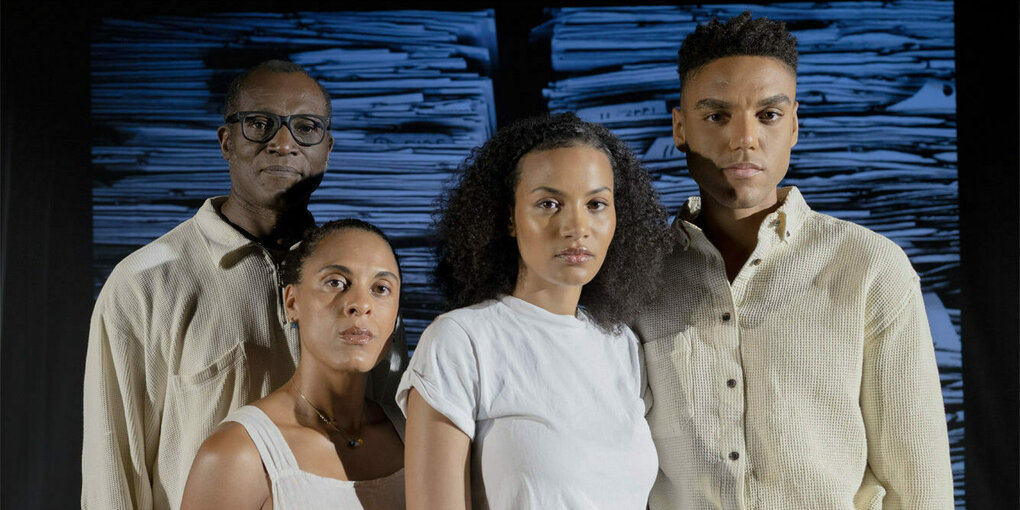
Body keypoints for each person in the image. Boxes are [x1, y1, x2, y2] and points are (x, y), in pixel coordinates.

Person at [634, 12, 954, 509]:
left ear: (795, 125)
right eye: (716, 115)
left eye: (768, 115)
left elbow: (920, 486)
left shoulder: (870, 268)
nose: (744, 138)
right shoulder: (637, 276)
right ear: (680, 127)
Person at [82, 60, 407, 510]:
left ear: (327, 149)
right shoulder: (146, 283)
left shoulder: (365, 289)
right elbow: (112, 472)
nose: (283, 143)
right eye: (259, 124)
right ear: (225, 141)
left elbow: (391, 422)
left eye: (306, 127)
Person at [397, 113, 671, 510]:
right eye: (548, 203)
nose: (576, 226)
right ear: (509, 218)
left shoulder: (623, 346)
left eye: (596, 203)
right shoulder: (462, 340)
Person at [181, 219, 406, 510]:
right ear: (291, 303)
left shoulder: (414, 438)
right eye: (336, 282)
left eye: (381, 288)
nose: (361, 304)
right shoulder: (239, 455)